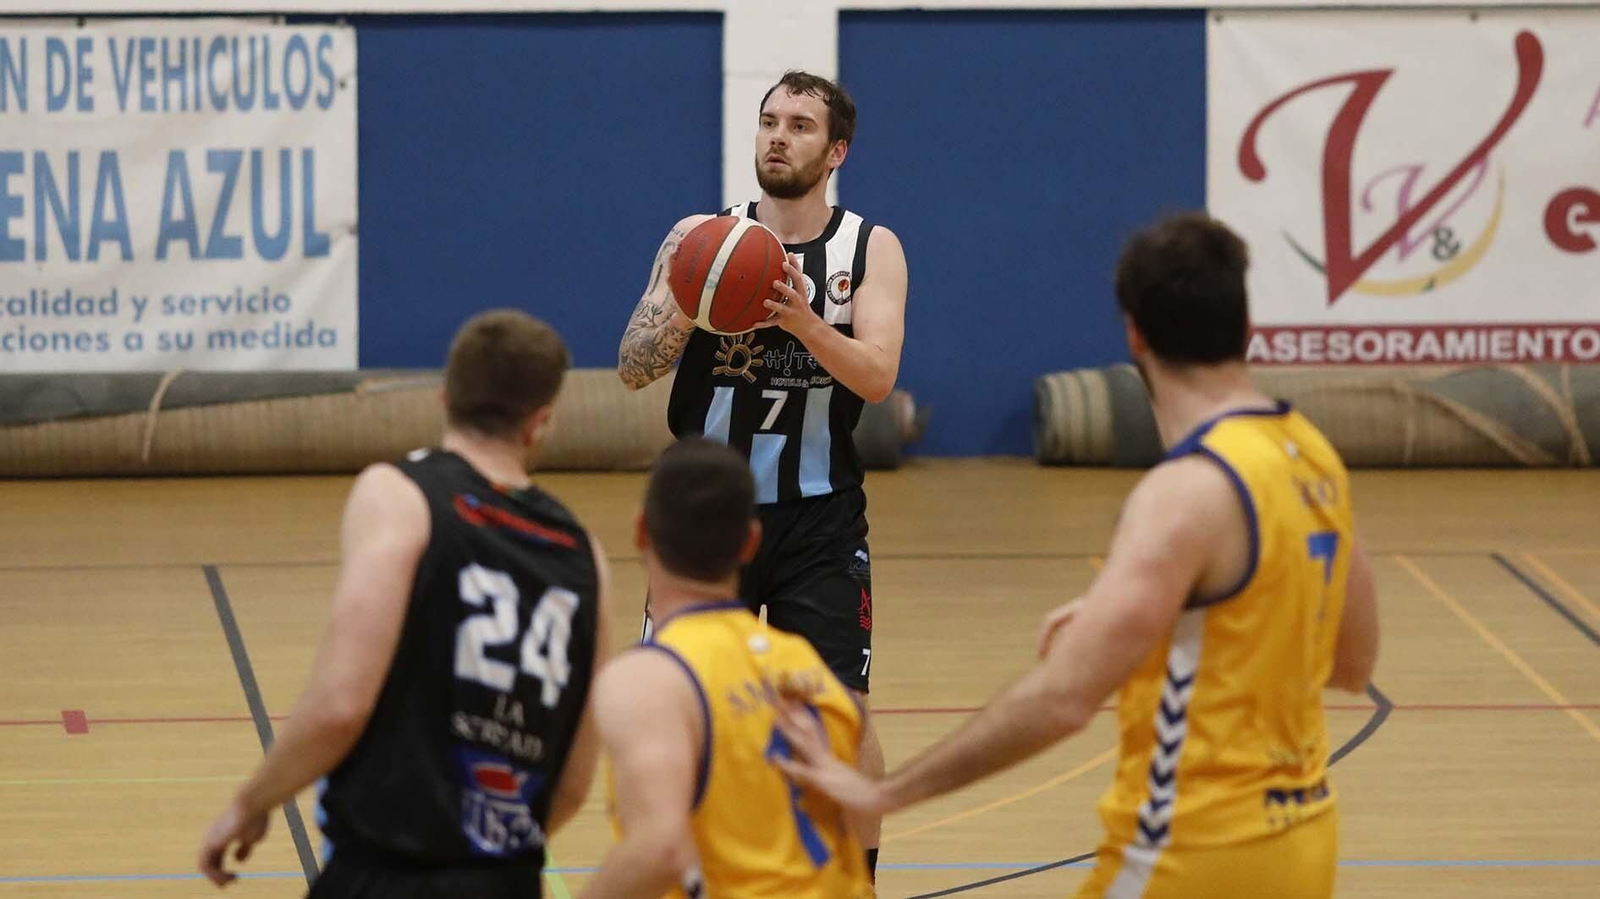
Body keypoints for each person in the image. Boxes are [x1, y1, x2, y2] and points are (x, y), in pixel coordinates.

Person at [772, 213, 1381, 899]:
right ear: (1248, 331)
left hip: (1191, 850)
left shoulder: (1183, 493)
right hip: (1305, 845)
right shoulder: (1314, 455)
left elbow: (1061, 700)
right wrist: (1144, 618)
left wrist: (887, 791)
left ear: (1134, 337)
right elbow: (1352, 662)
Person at [198, 309, 612, 898]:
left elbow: (341, 703)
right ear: (540, 422)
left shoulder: (400, 494)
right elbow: (572, 783)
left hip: (385, 871)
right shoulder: (584, 554)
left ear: (445, 398)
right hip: (507, 880)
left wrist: (253, 799)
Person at [615, 68, 907, 878]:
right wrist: (694, 298)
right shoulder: (697, 237)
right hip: (708, 515)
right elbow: (632, 367)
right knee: (679, 706)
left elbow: (878, 376)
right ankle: (675, 873)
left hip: (821, 515)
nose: (778, 135)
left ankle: (856, 881)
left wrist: (799, 316)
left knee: (839, 712)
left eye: (801, 126)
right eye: (769, 120)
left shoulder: (868, 247)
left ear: (836, 148)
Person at [578, 438, 873, 899]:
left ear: (641, 532)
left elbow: (658, 851)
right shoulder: (817, 677)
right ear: (751, 542)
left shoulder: (649, 679)